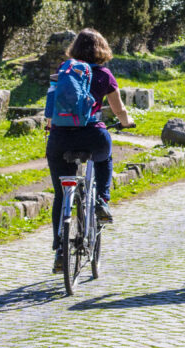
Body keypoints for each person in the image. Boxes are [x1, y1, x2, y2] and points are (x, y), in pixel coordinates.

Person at [46, 28, 135, 272]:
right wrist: (126, 122)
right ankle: (102, 201)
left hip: (60, 138)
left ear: (75, 49)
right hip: (92, 135)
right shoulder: (104, 75)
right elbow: (119, 111)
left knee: (60, 194)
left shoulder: (65, 72)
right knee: (104, 157)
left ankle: (60, 249)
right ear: (102, 49)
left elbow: (50, 111)